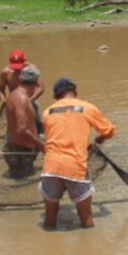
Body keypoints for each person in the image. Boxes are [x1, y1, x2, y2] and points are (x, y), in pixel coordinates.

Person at [39, 78, 116, 228]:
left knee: (49, 220)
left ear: (56, 96)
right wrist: (99, 139)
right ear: (75, 92)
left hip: (51, 167)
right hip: (75, 168)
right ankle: (87, 248)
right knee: (86, 220)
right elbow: (110, 130)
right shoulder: (87, 107)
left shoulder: (48, 112)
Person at [4, 65, 45, 179]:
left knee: (21, 180)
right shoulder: (21, 98)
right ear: (36, 82)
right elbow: (21, 129)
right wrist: (40, 145)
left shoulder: (18, 95)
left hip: (21, 150)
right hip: (19, 152)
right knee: (20, 187)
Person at [0, 49, 44, 132]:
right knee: (16, 128)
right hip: (13, 103)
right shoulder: (5, 72)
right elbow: (1, 90)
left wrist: (29, 101)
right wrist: (4, 102)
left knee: (38, 126)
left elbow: (41, 88)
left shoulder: (32, 70)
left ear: (25, 60)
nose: (17, 69)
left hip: (31, 101)